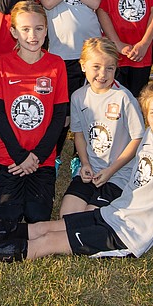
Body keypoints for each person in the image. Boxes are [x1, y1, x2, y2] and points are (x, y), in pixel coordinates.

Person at [0, 80, 153, 272]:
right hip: (113, 213)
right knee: (43, 227)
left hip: (127, 235)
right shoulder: (151, 134)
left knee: (48, 243)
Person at [0, 0, 69, 224]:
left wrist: (37, 157)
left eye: (38, 28)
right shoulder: (2, 63)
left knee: (38, 217)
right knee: (9, 218)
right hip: (10, 158)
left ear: (46, 29)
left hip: (41, 159)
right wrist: (20, 156)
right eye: (25, 29)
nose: (32, 35)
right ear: (14, 32)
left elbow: (58, 117)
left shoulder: (56, 64)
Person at [60, 38, 144, 217]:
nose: (102, 74)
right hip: (92, 171)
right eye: (96, 67)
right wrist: (85, 164)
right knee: (67, 216)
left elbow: (138, 139)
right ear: (83, 65)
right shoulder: (78, 97)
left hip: (119, 173)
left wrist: (111, 170)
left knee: (90, 220)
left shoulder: (124, 98)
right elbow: (79, 134)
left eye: (109, 68)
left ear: (116, 68)